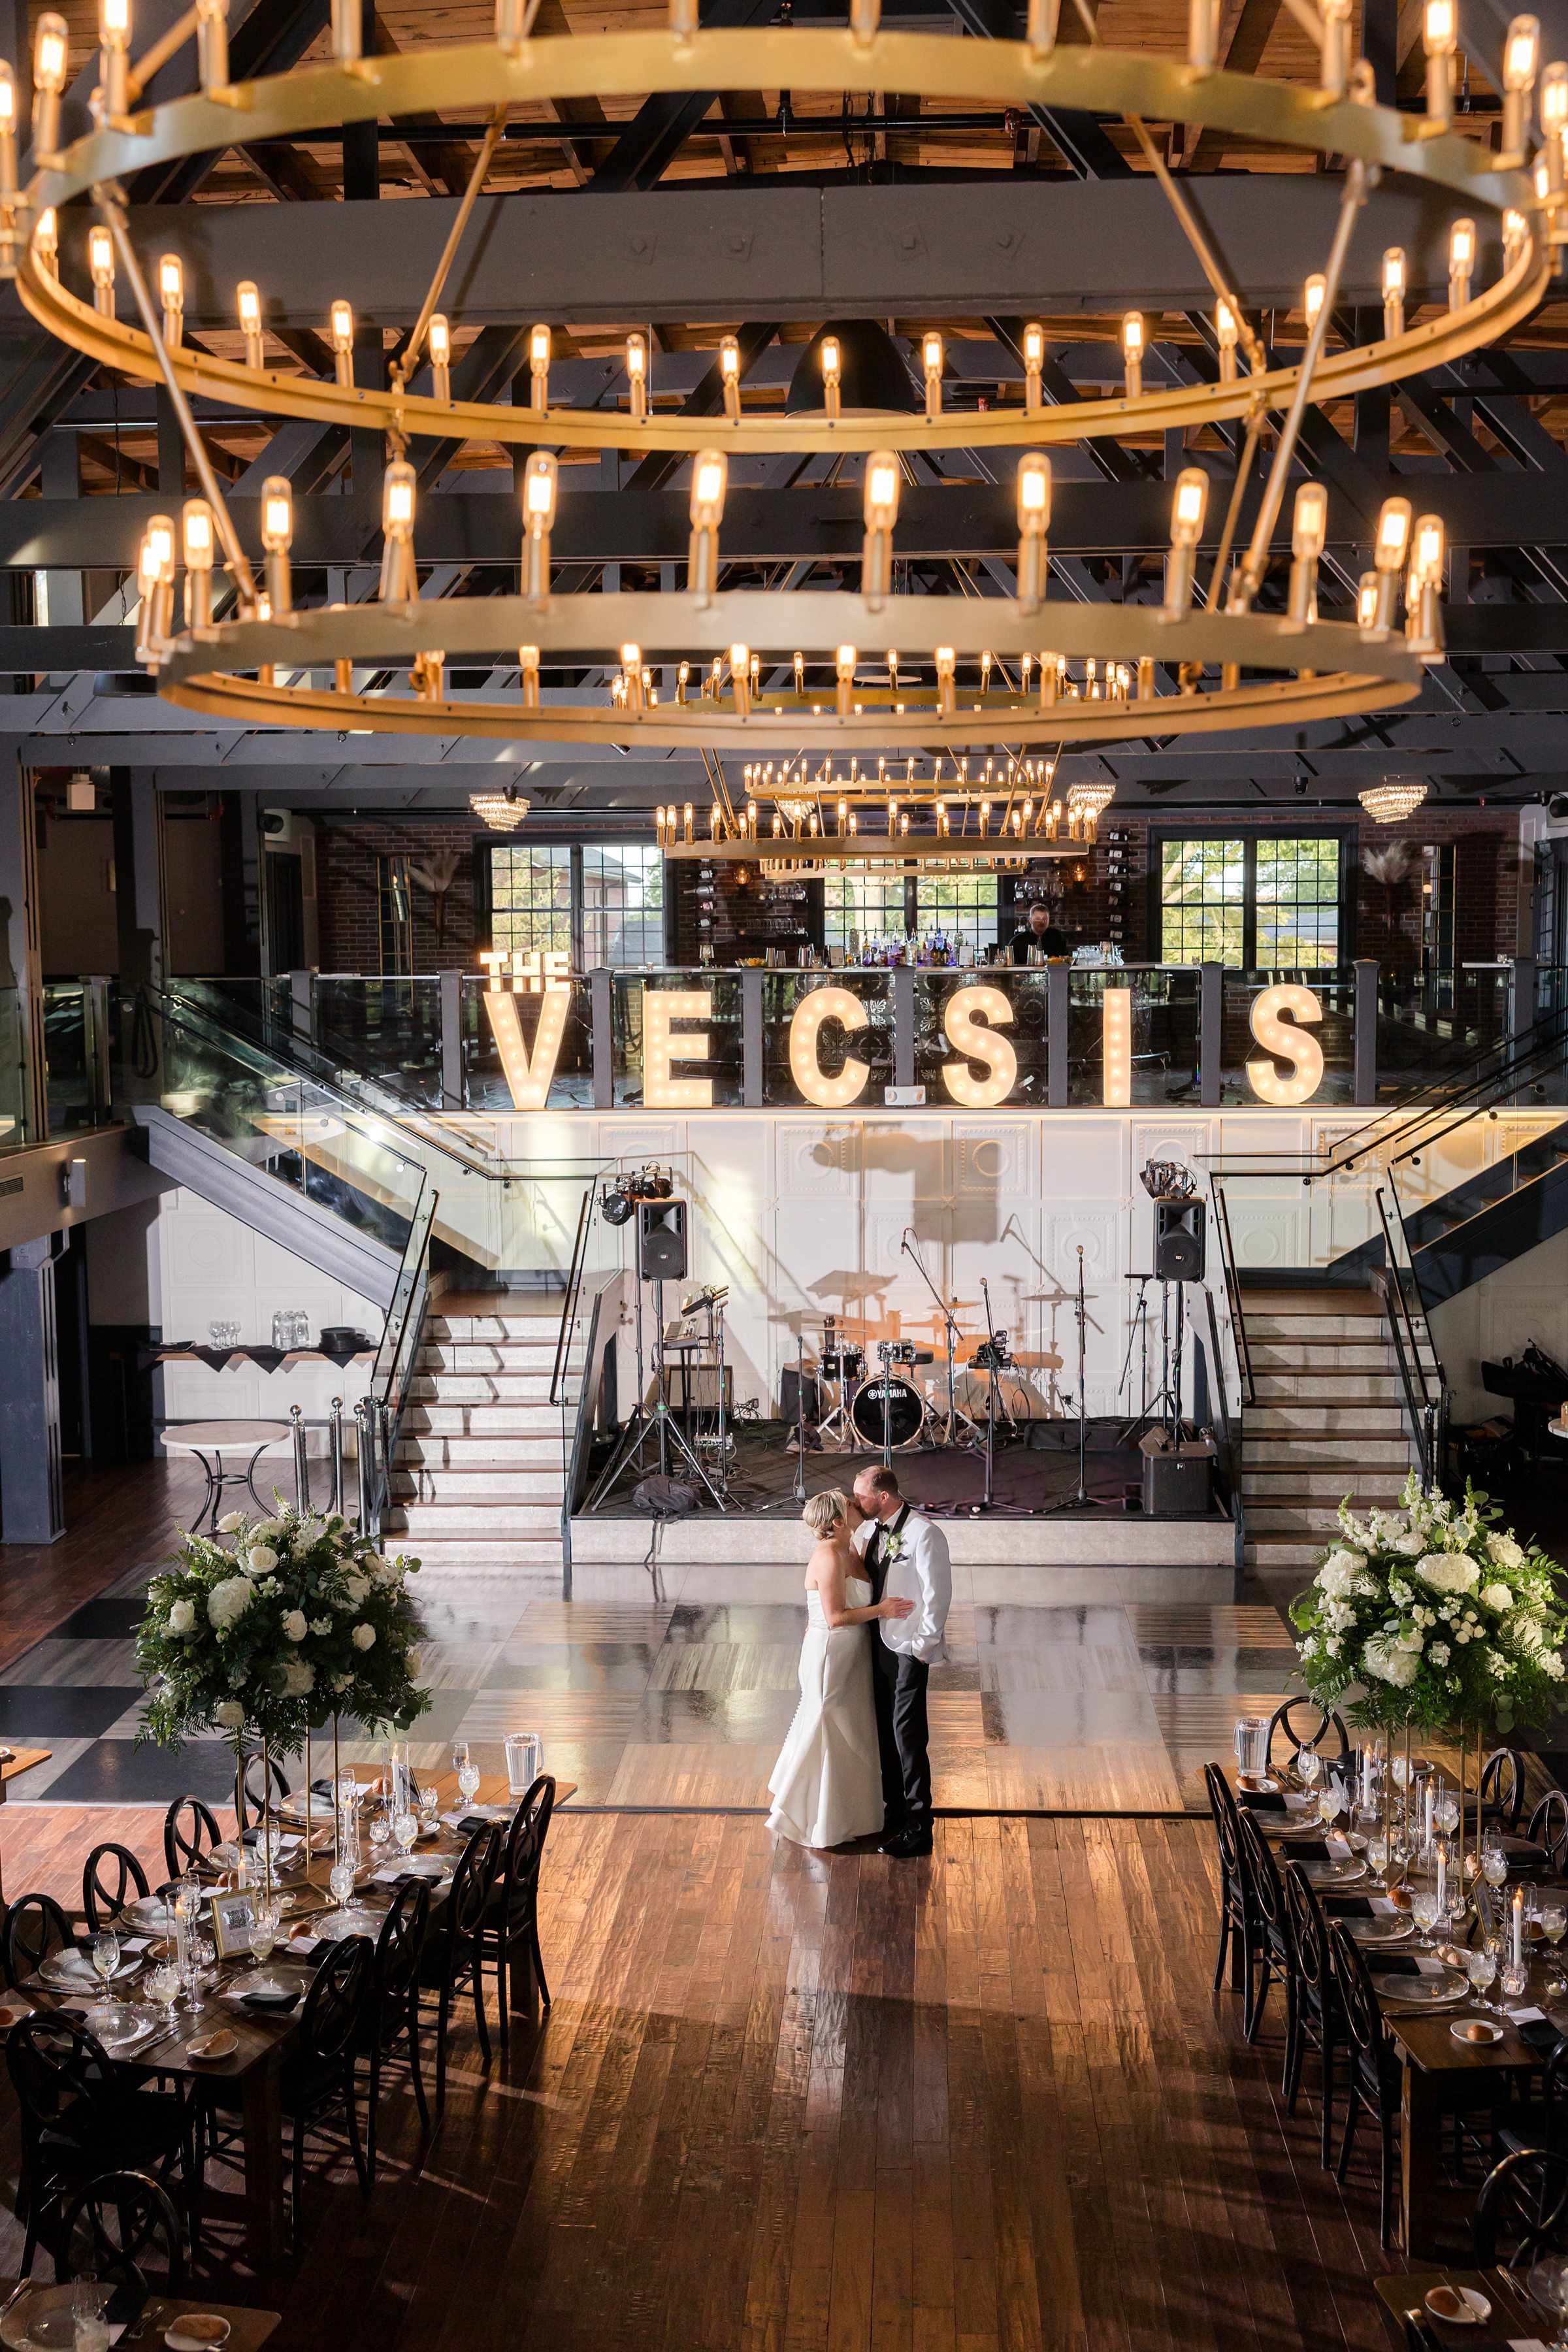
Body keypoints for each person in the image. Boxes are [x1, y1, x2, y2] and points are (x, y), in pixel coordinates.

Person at [767, 1487, 915, 1850]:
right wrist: (882, 1610)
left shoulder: (850, 1548)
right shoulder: (829, 1555)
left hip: (852, 1650)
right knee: (829, 1725)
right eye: (850, 1505)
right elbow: (834, 1618)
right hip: (832, 1651)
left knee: (850, 1727)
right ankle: (812, 1814)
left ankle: (852, 1811)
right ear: (837, 1521)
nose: (856, 1504)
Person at [851, 1464, 952, 1858]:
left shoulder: (924, 1534)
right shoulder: (869, 1531)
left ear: (884, 1497)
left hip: (907, 1648)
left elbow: (936, 1595)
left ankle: (918, 1826)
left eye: (861, 1496)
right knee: (884, 1732)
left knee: (908, 1737)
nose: (856, 1502)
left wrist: (920, 1648)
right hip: (876, 1643)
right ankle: (893, 1812)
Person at [1002, 902, 1068, 963]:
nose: (1042, 922)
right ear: (1031, 920)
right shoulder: (1018, 941)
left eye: (1045, 919)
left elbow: (1065, 960)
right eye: (1038, 918)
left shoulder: (1057, 937)